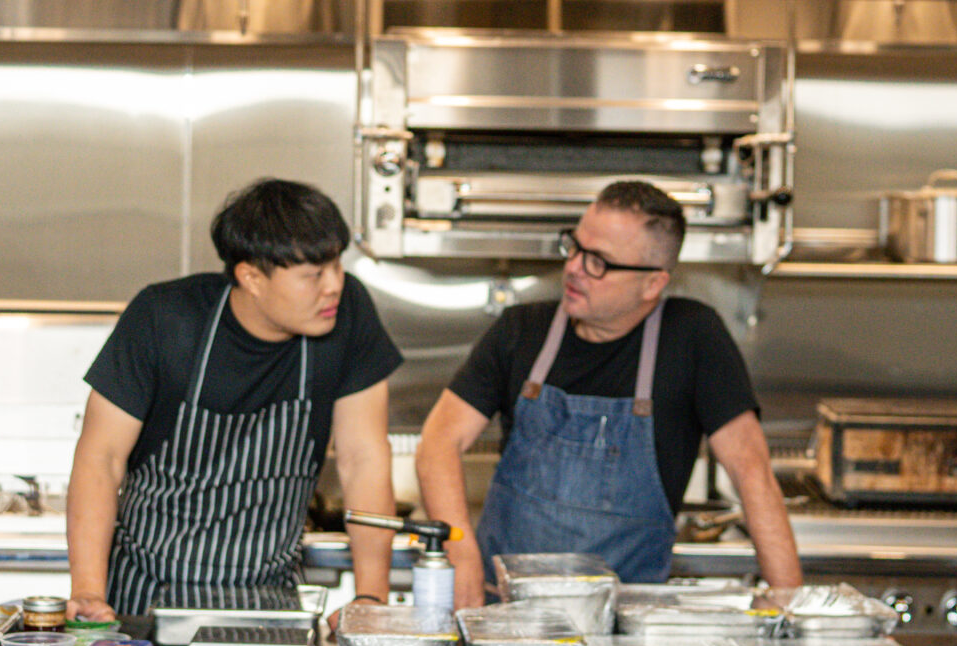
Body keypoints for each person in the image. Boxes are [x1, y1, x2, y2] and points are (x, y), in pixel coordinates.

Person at [415, 180, 801, 592]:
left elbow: (752, 473)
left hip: (625, 632)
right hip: (506, 620)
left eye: (598, 261)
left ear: (653, 283)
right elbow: (438, 443)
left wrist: (792, 613)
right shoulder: (521, 331)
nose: (574, 268)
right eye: (575, 247)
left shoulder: (693, 338)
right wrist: (464, 561)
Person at [67, 179, 402, 621]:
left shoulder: (348, 314)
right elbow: (100, 458)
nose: (334, 286)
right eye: (313, 274)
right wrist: (89, 593)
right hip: (145, 599)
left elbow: (364, 459)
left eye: (338, 265)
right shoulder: (164, 318)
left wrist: (371, 599)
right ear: (251, 277)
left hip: (269, 601)